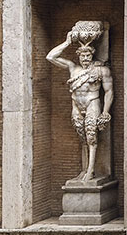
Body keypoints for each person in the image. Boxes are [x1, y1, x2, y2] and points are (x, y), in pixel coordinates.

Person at [47, 28, 114, 182]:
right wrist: (67, 42)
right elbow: (50, 56)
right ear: (78, 56)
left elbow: (109, 91)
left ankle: (91, 171)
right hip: (76, 104)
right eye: (82, 55)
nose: (85, 58)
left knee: (91, 136)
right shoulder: (73, 69)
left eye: (88, 55)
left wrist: (105, 112)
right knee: (82, 137)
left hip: (92, 102)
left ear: (92, 55)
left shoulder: (101, 70)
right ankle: (84, 169)